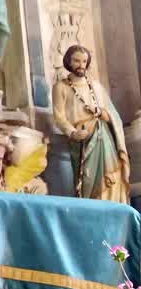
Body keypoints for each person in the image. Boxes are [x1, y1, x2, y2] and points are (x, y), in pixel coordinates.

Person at [52, 45, 130, 202]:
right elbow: (59, 117)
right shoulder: (61, 87)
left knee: (110, 176)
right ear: (68, 61)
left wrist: (102, 113)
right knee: (86, 181)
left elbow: (111, 116)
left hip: (103, 136)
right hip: (81, 141)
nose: (81, 65)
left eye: (84, 61)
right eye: (76, 61)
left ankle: (112, 203)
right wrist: (73, 132)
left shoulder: (96, 87)